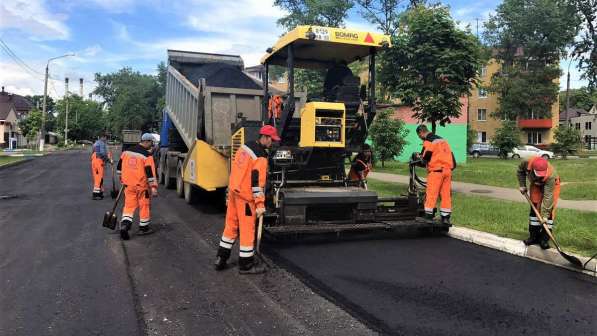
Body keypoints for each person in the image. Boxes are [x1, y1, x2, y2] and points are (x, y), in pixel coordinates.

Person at [214, 125, 280, 274]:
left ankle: (220, 258)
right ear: (265, 138)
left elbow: (236, 168)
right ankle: (245, 264)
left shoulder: (244, 147)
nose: (272, 143)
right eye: (272, 140)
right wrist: (260, 204)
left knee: (230, 227)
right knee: (247, 230)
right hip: (245, 197)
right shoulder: (260, 157)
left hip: (233, 192)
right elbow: (257, 183)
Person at [116, 133, 158, 240]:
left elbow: (119, 168)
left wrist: (122, 178)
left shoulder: (126, 152)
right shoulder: (147, 156)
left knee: (129, 206)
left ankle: (125, 225)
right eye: (151, 143)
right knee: (144, 205)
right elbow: (150, 173)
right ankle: (144, 228)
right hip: (141, 186)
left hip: (128, 185)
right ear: (147, 142)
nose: (152, 145)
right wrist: (153, 187)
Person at [415, 124, 456, 225]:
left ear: (421, 132)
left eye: (419, 136)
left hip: (436, 172)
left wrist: (417, 159)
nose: (420, 138)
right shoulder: (443, 141)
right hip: (447, 171)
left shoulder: (428, 141)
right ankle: (445, 218)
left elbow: (425, 160)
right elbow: (452, 158)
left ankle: (428, 216)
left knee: (431, 193)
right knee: (445, 195)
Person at [517, 156, 560, 249]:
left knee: (548, 213)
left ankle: (544, 239)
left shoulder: (551, 175)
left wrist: (544, 215)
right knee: (535, 208)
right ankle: (534, 237)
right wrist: (522, 185)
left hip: (551, 187)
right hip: (536, 184)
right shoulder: (526, 162)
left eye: (542, 174)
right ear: (532, 168)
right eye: (539, 174)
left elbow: (548, 197)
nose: (541, 176)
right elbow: (520, 171)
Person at [91, 134, 112, 200]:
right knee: (99, 178)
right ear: (103, 137)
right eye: (106, 138)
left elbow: (94, 152)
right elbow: (102, 153)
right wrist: (108, 160)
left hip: (95, 161)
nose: (106, 139)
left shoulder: (96, 143)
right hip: (98, 162)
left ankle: (100, 192)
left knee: (98, 177)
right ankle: (96, 195)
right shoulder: (101, 143)